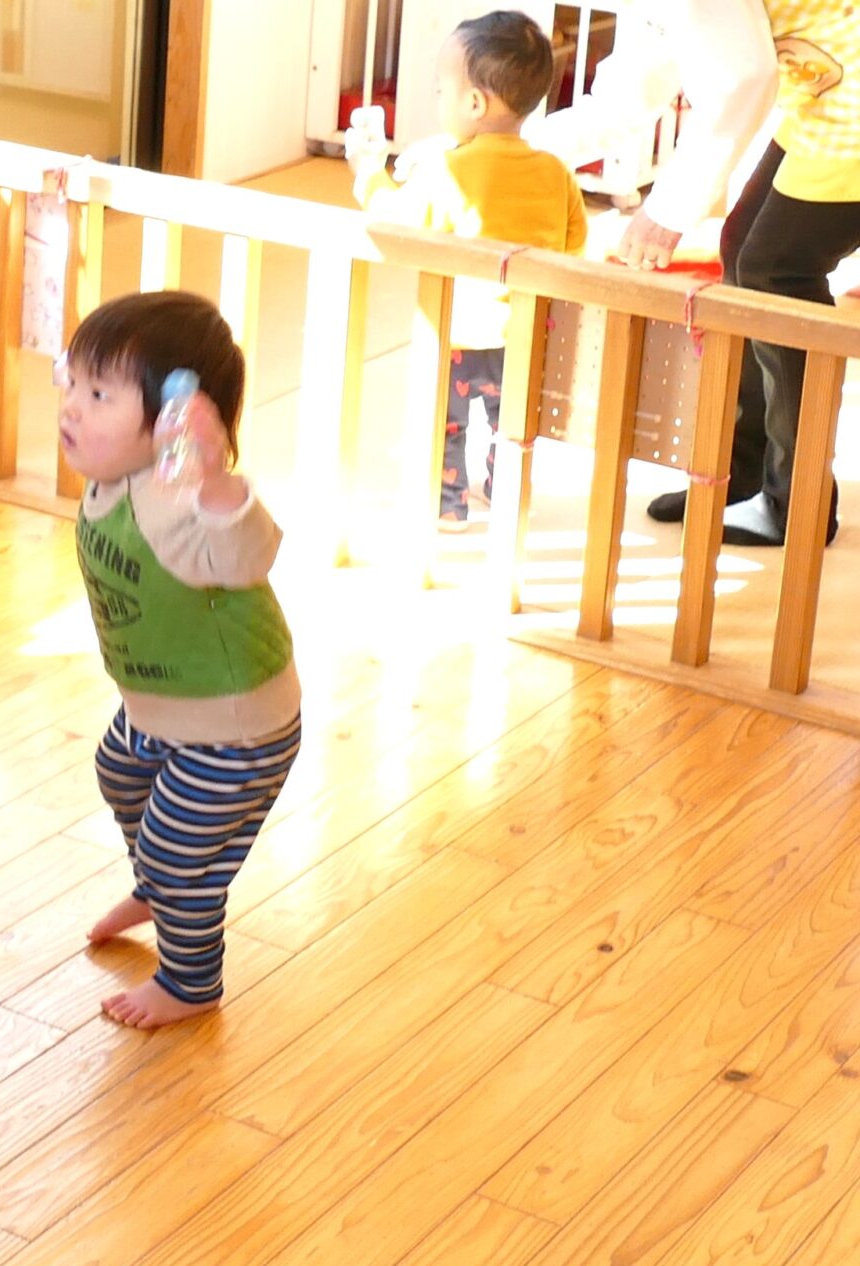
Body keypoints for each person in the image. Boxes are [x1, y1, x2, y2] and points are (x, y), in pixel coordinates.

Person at [58, 292, 304, 1030]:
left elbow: (247, 554)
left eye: (99, 395)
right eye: (73, 383)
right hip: (159, 710)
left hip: (235, 728)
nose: (71, 407)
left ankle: (190, 981)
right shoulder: (115, 479)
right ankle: (158, 889)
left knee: (177, 850)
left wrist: (216, 481)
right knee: (119, 772)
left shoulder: (182, 499)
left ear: (172, 419)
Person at [623, 1, 860, 545]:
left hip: (847, 92)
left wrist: (668, 211)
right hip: (827, 85)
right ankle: (742, 473)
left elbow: (745, 79)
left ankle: (796, 502)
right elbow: (643, 69)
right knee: (742, 250)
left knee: (775, 273)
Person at [351, 10, 589, 530]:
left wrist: (368, 177)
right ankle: (507, 495)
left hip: (457, 332)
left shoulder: (447, 170)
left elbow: (400, 222)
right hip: (525, 336)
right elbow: (575, 242)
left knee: (445, 421)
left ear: (475, 103)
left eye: (442, 90)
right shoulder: (555, 173)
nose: (437, 99)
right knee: (513, 426)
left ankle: (448, 504)